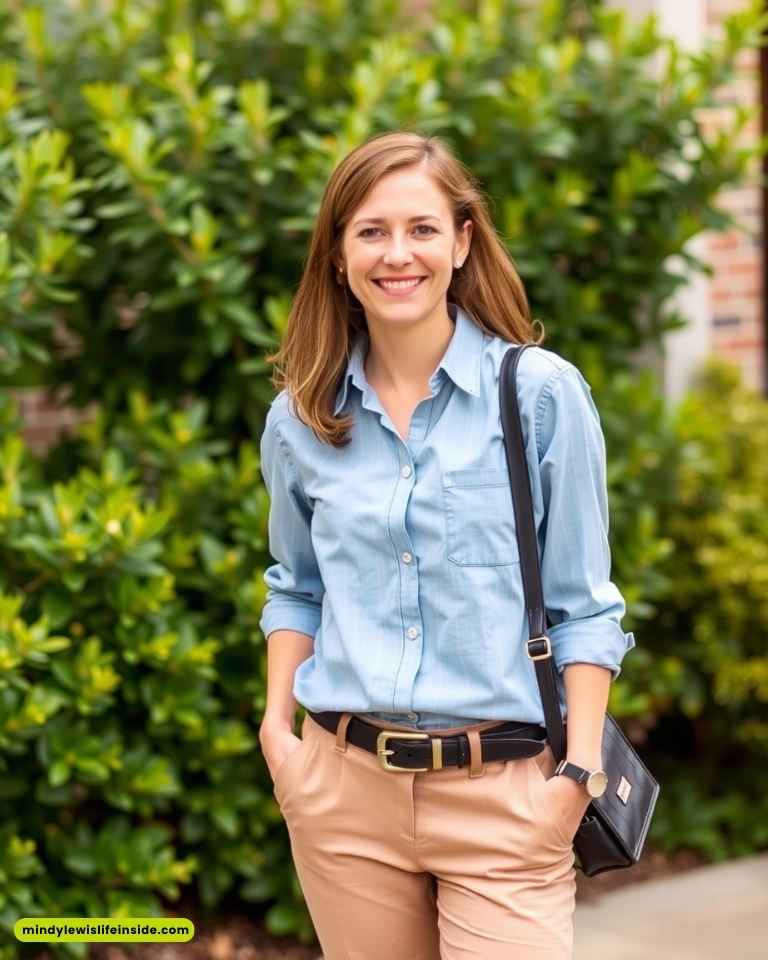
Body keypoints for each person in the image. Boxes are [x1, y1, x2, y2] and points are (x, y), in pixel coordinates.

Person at [257, 130, 636, 959]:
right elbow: (297, 585)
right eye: (371, 231)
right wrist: (278, 732)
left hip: (507, 796)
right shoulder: (301, 418)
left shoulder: (538, 397)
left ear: (462, 242)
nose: (399, 254)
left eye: (423, 228)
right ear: (337, 256)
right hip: (343, 792)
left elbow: (585, 608)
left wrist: (575, 778)